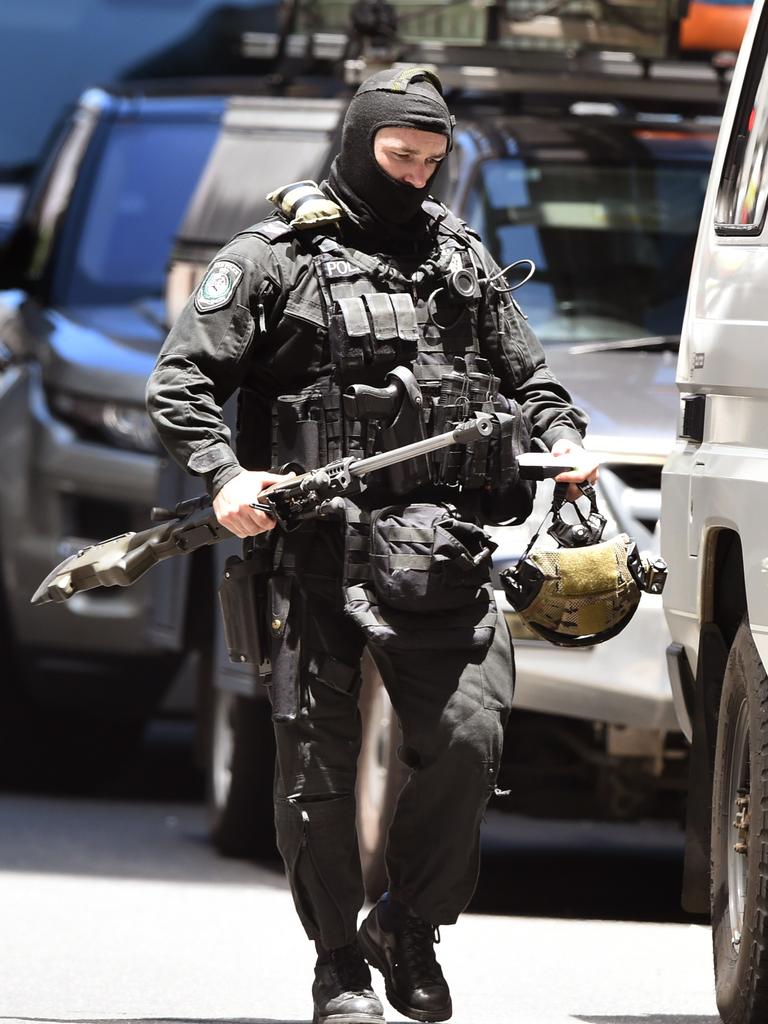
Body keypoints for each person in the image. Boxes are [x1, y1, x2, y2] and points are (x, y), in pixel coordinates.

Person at [147, 66, 598, 1024]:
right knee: (314, 770)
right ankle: (339, 963)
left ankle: (411, 925)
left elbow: (536, 385)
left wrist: (561, 444)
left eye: (433, 163)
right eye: (399, 157)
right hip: (312, 552)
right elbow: (182, 382)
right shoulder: (271, 257)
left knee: (473, 742)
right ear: (359, 146)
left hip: (440, 552)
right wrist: (227, 477)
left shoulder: (461, 258)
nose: (416, 179)